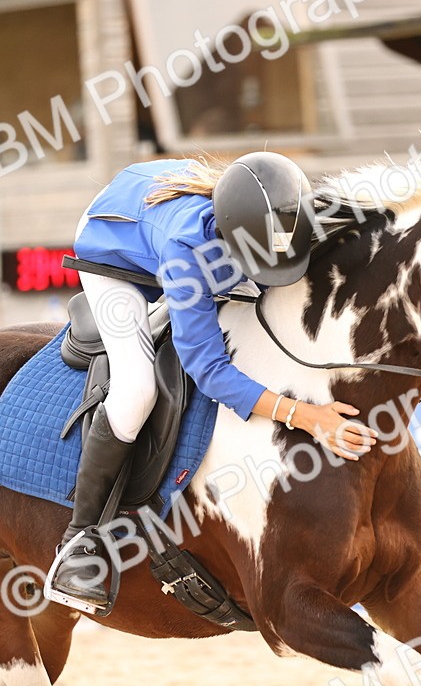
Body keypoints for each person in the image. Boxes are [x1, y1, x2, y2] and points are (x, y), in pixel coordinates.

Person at [46, 152, 379, 611]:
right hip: (109, 247)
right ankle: (80, 539)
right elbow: (208, 369)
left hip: (157, 207)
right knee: (136, 389)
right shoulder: (185, 255)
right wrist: (306, 415)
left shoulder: (287, 208)